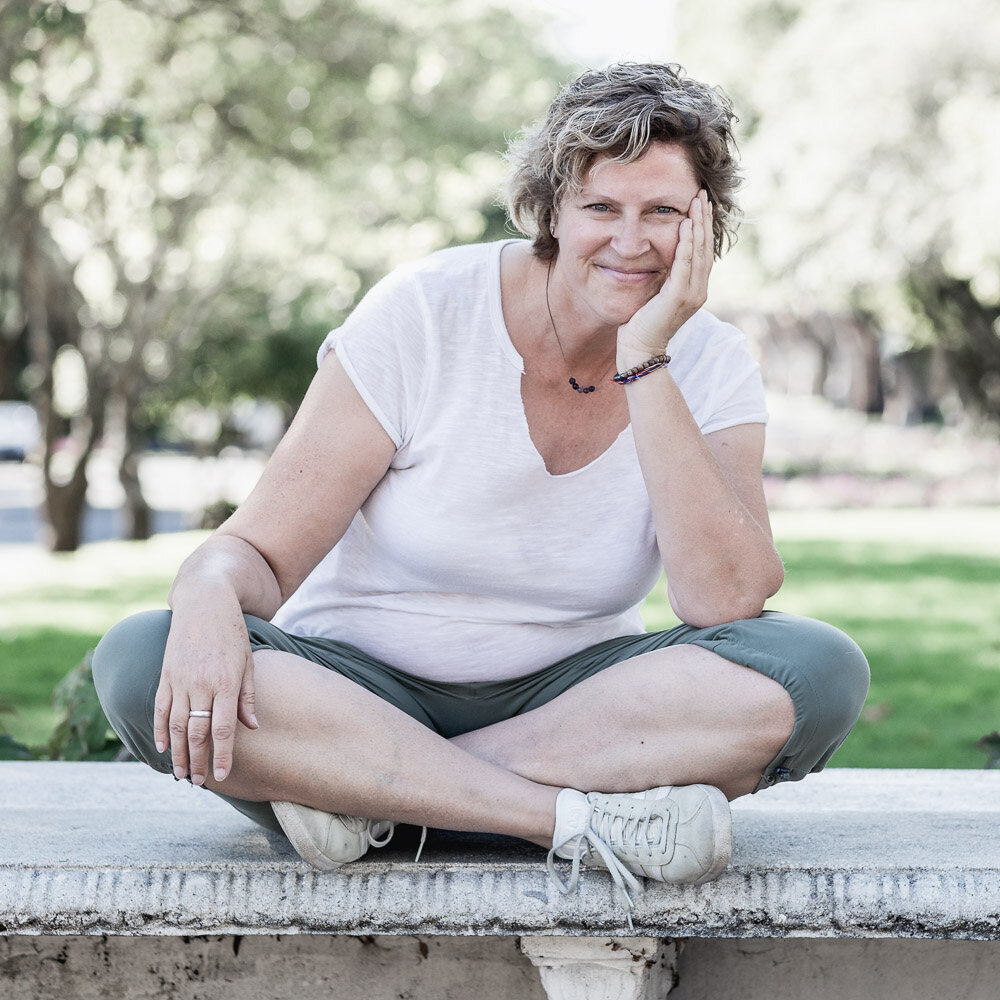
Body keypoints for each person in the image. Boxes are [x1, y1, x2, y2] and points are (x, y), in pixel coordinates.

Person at [93, 62, 869, 924]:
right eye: (601, 208)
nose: (632, 239)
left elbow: (722, 598)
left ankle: (379, 800)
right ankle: (563, 819)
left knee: (819, 670)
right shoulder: (424, 313)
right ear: (550, 210)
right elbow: (260, 555)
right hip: (359, 686)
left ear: (705, 223)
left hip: (578, 704)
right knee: (140, 663)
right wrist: (204, 592)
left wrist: (646, 357)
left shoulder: (713, 360)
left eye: (664, 211)